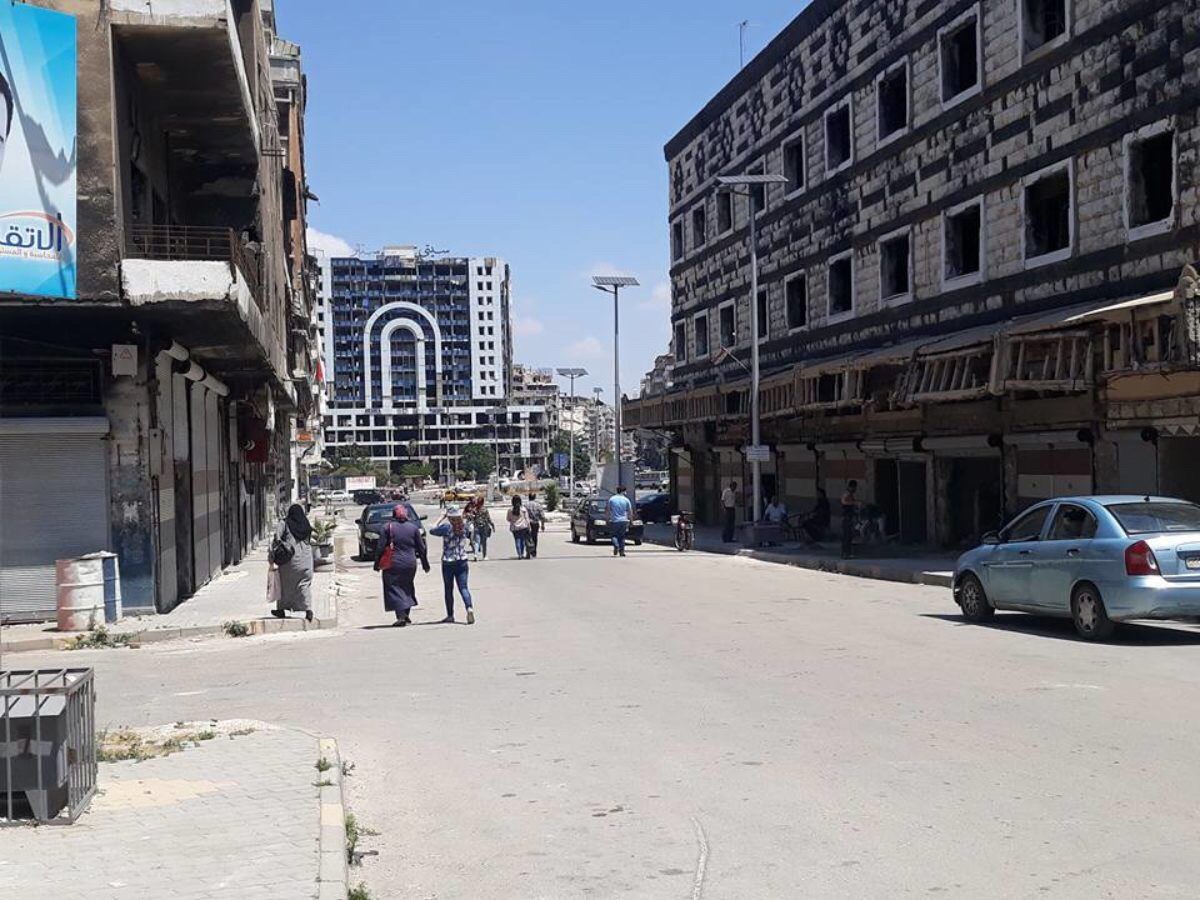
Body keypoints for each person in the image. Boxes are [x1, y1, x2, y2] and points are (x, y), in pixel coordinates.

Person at [374, 504, 429, 627]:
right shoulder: (413, 528)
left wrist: (377, 564)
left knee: (394, 588)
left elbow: (380, 548)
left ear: (393, 515)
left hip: (393, 563)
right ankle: (406, 615)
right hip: (410, 563)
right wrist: (425, 564)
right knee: (407, 587)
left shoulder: (387, 527)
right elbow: (421, 548)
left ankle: (401, 616)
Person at [430, 506, 476, 624]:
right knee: (463, 587)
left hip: (448, 561)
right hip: (462, 559)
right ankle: (469, 607)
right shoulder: (464, 527)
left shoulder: (447, 527)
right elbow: (471, 533)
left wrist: (441, 517)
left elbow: (432, 530)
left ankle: (450, 615)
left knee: (448, 589)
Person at [271, 504, 314, 622]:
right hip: (306, 560)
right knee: (304, 585)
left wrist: (272, 556)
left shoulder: (285, 523)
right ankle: (308, 610)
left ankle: (281, 609)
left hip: (289, 560)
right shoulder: (305, 524)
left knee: (285, 585)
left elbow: (277, 538)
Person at [607, 485, 633, 558]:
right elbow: (630, 511)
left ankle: (616, 545)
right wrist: (631, 520)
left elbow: (608, 510)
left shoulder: (612, 499)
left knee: (614, 535)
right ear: (623, 491)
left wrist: (607, 519)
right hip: (624, 520)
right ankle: (622, 552)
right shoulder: (626, 500)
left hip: (615, 520)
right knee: (622, 536)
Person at [506, 495, 532, 559]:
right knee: (522, 540)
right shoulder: (523, 509)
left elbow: (508, 519)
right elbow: (527, 519)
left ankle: (519, 554)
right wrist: (529, 526)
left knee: (517, 540)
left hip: (515, 527)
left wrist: (513, 520)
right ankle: (522, 553)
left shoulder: (510, 510)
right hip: (523, 527)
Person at [840, 480, 860, 559]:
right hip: (846, 518)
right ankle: (845, 553)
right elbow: (843, 501)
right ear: (852, 487)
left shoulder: (850, 494)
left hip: (849, 517)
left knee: (849, 536)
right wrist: (854, 503)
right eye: (854, 488)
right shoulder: (847, 493)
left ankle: (847, 553)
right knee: (846, 536)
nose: (855, 489)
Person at [525, 491, 544, 559]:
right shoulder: (538, 505)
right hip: (535, 523)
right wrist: (542, 525)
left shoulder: (525, 505)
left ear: (529, 497)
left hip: (527, 523)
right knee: (534, 538)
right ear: (535, 497)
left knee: (527, 538)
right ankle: (534, 552)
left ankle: (528, 551)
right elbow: (542, 516)